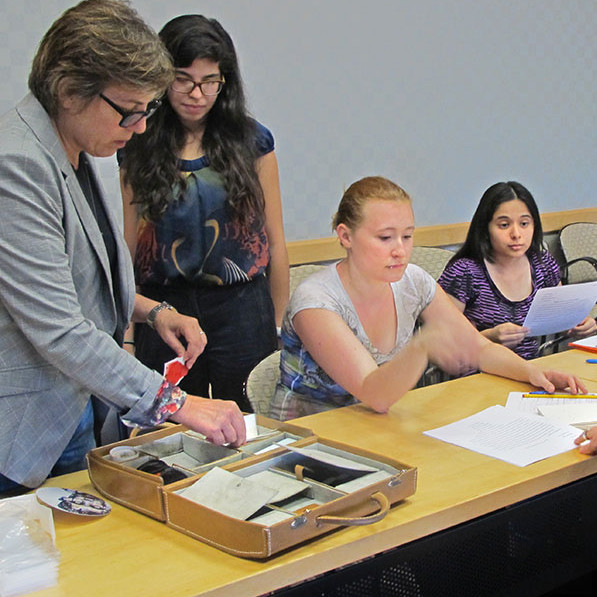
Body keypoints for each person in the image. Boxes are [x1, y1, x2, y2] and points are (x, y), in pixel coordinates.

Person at [0, 0, 245, 496]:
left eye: (148, 110)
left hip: (76, 407)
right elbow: (60, 327)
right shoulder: (17, 167)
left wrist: (153, 313)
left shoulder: (76, 146)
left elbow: (76, 279)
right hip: (23, 432)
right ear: (70, 92)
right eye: (131, 112)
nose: (141, 128)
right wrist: (180, 404)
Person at [269, 176, 587, 421]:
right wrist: (422, 347)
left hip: (382, 426)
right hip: (312, 442)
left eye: (407, 236)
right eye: (385, 237)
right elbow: (373, 393)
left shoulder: (413, 281)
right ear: (345, 236)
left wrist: (534, 375)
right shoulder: (316, 300)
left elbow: (479, 349)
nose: (400, 249)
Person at [119, 15, 289, 413]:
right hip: (163, 310)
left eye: (210, 81)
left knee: (246, 426)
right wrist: (127, 335)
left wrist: (278, 328)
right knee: (168, 425)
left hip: (242, 308)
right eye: (183, 79)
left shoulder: (253, 142)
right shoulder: (136, 144)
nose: (197, 93)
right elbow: (127, 248)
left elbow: (276, 242)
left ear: (224, 81)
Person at [438, 181, 596, 359]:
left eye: (524, 223)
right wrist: (488, 338)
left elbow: (563, 319)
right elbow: (441, 342)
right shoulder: (464, 272)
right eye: (504, 225)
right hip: (481, 373)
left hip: (534, 371)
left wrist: (581, 325)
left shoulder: (542, 263)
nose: (516, 234)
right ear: (485, 228)